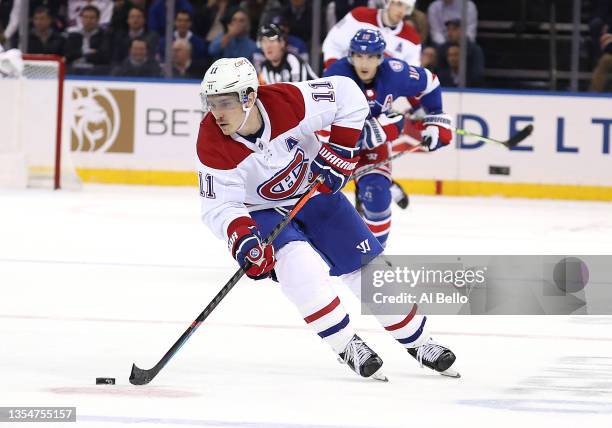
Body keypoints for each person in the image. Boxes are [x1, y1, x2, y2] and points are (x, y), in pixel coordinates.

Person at [196, 56, 458, 380]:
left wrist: (340, 151)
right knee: (298, 265)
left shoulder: (286, 101)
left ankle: (420, 342)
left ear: (249, 97)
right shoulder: (211, 140)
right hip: (259, 208)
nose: (216, 113)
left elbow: (348, 94)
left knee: (368, 268)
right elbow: (219, 206)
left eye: (225, 102)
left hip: (313, 187)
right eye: (211, 103)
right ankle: (345, 343)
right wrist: (243, 238)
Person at [324, 29, 453, 246]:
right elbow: (323, 127)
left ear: (381, 57)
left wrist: (435, 117)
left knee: (376, 192)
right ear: (351, 56)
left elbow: (429, 82)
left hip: (373, 146)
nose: (364, 63)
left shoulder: (395, 72)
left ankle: (373, 256)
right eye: (359, 56)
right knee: (319, 203)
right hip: (339, 145)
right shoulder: (335, 77)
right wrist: (374, 130)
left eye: (371, 57)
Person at [322, 0, 421, 69]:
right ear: (387, 2)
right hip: (348, 81)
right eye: (399, 4)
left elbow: (411, 72)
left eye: (407, 8)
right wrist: (335, 71)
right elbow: (332, 44)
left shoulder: (413, 39)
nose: (402, 11)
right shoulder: (359, 16)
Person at [436, 18, 484, 87]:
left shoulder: (474, 50)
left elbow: (478, 74)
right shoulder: (442, 49)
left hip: (470, 87)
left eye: (454, 29)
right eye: (448, 29)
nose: (450, 33)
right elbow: (439, 71)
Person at [65, 5, 112, 74]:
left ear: (98, 19)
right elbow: (68, 55)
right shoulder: (73, 36)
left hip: (97, 72)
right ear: (81, 18)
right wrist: (88, 52)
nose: (88, 20)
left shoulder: (105, 36)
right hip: (74, 71)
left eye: (92, 18)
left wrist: (80, 56)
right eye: (85, 17)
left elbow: (104, 57)